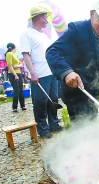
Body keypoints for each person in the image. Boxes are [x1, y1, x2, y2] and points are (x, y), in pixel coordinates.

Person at [45, 0, 99, 124]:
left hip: (93, 90)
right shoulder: (76, 30)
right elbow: (52, 51)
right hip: (76, 90)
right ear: (91, 14)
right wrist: (66, 72)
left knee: (92, 122)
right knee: (81, 127)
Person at [20, 6, 63, 139]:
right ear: (39, 17)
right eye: (45, 17)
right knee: (40, 102)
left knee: (53, 100)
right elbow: (26, 55)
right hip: (39, 74)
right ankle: (42, 129)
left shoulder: (44, 35)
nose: (47, 20)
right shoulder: (26, 34)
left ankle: (54, 124)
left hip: (51, 73)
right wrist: (32, 72)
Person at [5, 43, 26, 112]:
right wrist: (15, 75)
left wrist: (17, 66)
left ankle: (23, 105)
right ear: (15, 47)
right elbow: (10, 66)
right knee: (16, 90)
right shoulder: (9, 54)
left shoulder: (15, 55)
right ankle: (15, 107)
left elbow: (21, 64)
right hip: (13, 74)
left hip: (19, 73)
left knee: (21, 90)